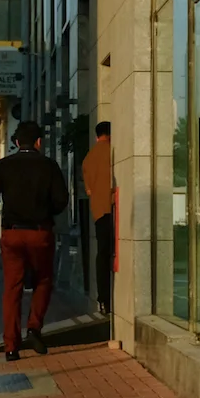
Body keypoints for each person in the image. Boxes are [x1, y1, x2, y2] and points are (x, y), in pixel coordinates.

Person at [0, 121, 69, 361]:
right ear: (38, 142)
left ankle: (11, 347)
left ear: (16, 143)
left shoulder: (4, 166)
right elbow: (61, 201)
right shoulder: (49, 166)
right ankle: (34, 326)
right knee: (44, 279)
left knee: (12, 288)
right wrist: (45, 211)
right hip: (39, 233)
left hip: (12, 234)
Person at [81, 121, 114, 315]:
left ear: (97, 136)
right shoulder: (113, 151)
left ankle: (103, 300)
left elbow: (89, 189)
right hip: (115, 208)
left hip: (99, 212)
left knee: (102, 255)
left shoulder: (88, 158)